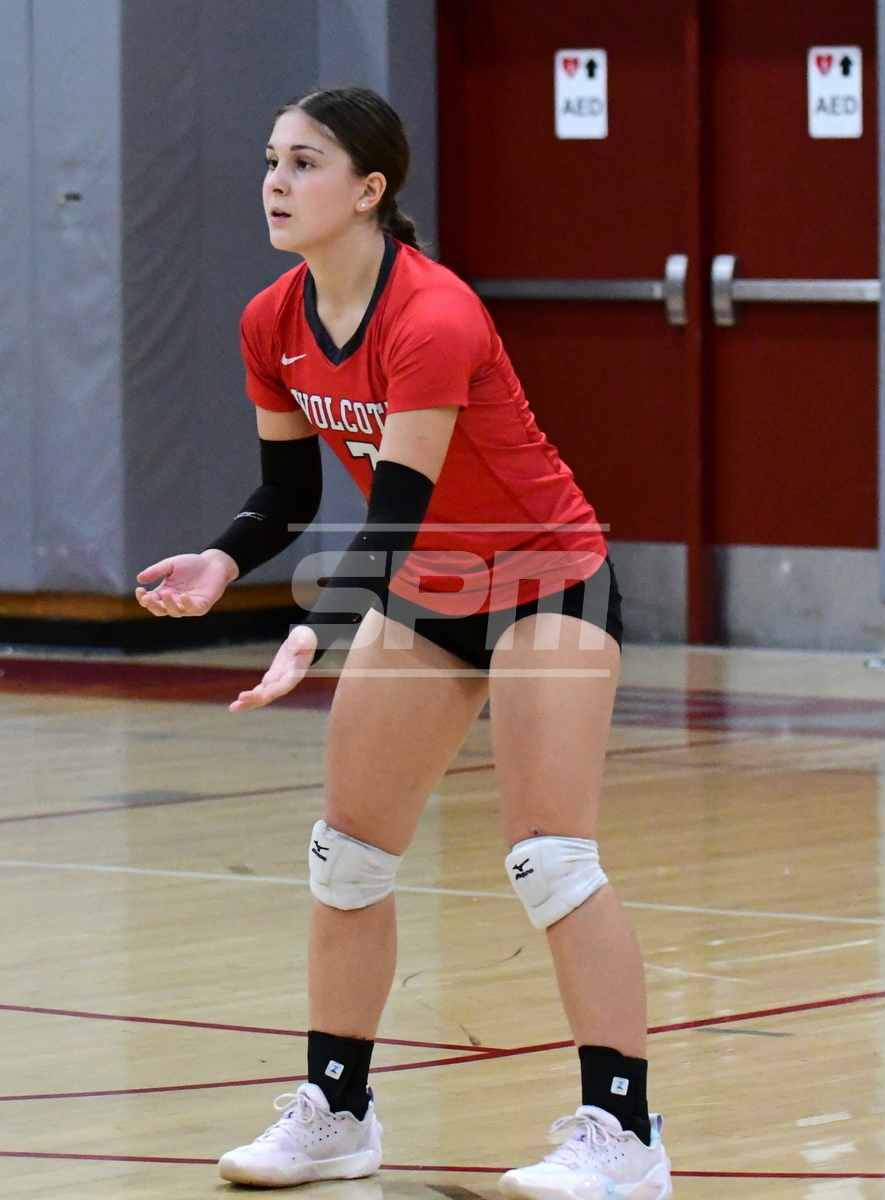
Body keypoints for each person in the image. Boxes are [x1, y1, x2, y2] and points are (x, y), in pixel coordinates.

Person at [135, 87, 672, 1200]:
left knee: (550, 858)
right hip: (428, 586)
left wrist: (313, 631)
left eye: (306, 163)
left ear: (369, 189)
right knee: (346, 854)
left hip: (540, 577)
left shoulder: (434, 315)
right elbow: (288, 493)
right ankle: (336, 1113)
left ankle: (625, 1135)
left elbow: (397, 507)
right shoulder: (271, 319)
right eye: (271, 160)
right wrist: (224, 560)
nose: (277, 183)